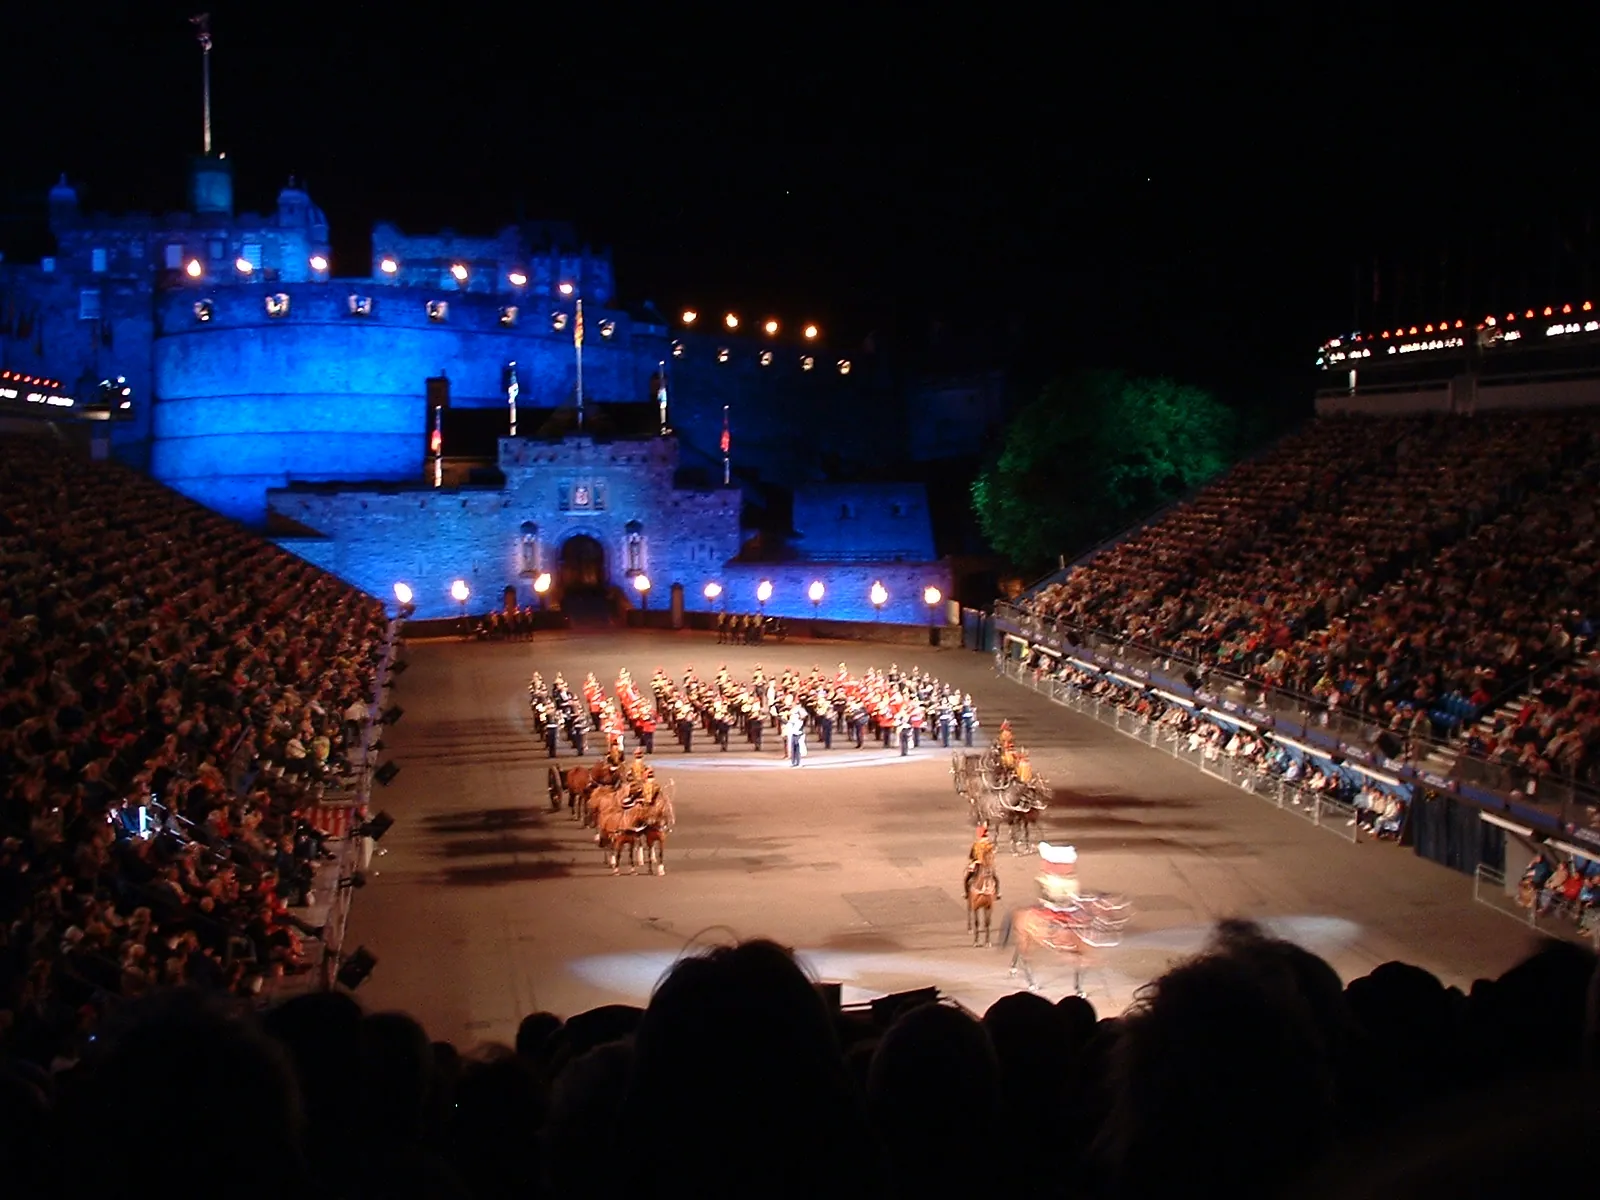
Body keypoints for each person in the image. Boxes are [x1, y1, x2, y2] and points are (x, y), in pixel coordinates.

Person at [964, 824, 997, 899]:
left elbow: (971, 856)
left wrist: (974, 859)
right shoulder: (989, 845)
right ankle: (997, 893)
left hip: (977, 864)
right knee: (995, 879)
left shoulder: (976, 844)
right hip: (987, 864)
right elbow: (991, 856)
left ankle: (966, 893)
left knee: (967, 879)